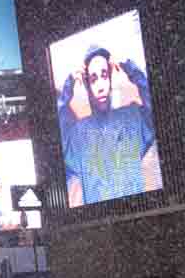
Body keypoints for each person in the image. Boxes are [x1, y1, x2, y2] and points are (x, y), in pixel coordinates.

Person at [59, 44, 160, 206]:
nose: (100, 87)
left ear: (110, 80)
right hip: (98, 227)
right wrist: (66, 90)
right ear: (87, 87)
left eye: (104, 76)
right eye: (93, 79)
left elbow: (159, 111)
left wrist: (132, 69)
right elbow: (53, 140)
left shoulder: (132, 118)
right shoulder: (78, 134)